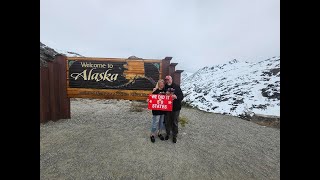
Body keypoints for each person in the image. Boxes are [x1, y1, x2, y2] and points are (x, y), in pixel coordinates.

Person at [164, 75, 183, 143]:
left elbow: (181, 96)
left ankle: (174, 135)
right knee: (167, 122)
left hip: (175, 108)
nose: (167, 80)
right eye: (166, 79)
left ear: (171, 79)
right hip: (167, 108)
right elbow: (160, 94)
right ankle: (168, 134)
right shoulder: (165, 87)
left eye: (168, 79)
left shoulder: (176, 87)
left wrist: (176, 96)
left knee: (175, 122)